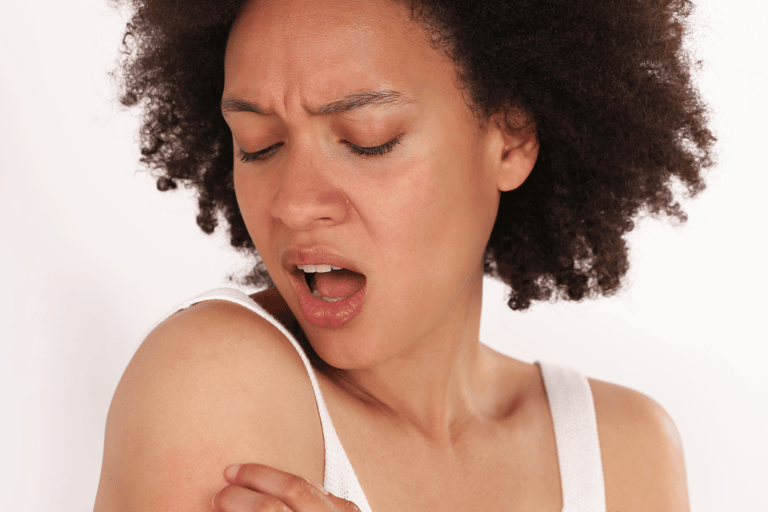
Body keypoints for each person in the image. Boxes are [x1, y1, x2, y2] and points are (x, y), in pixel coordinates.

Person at [94, 0, 713, 510]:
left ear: (511, 141)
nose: (294, 204)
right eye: (258, 146)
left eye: (369, 141)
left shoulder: (625, 453)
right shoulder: (215, 378)